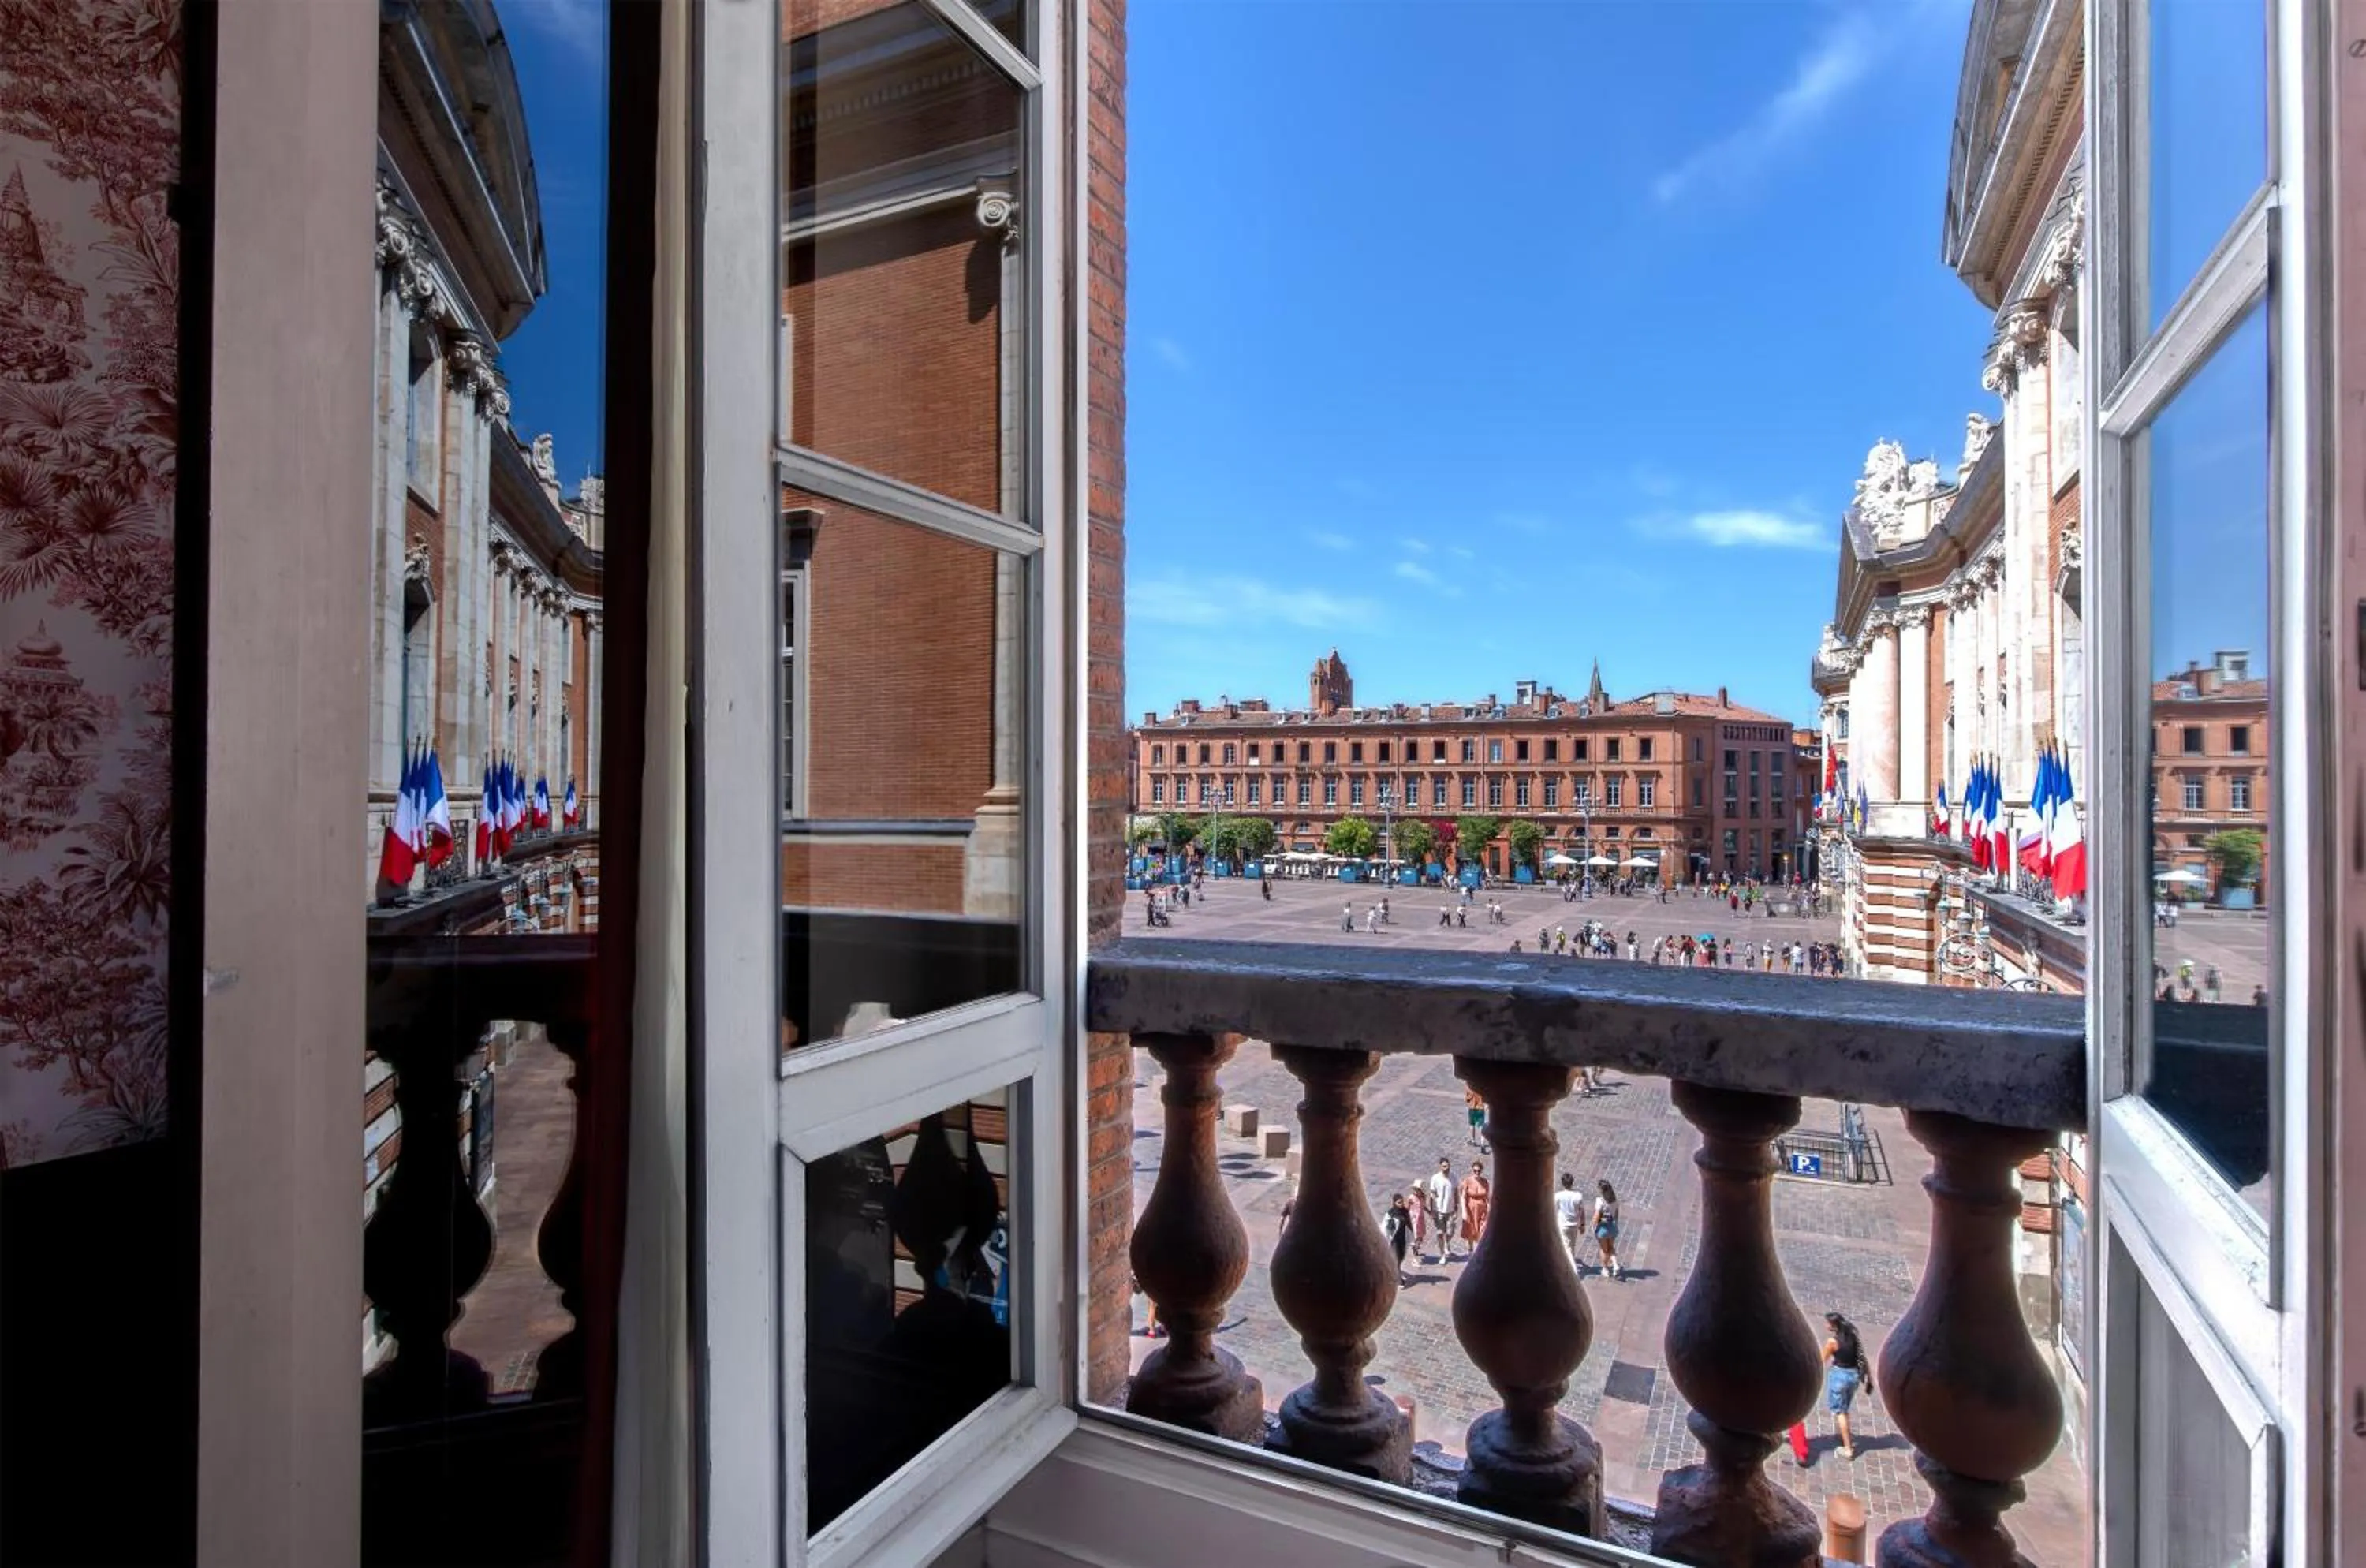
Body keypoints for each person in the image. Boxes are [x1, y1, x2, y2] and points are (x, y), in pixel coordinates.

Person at [1822, 1311, 1866, 1460]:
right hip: (1853, 1376)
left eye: (1827, 1323)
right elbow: (1860, 1356)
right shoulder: (1852, 1335)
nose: (1825, 1325)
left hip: (1839, 1377)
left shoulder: (1832, 1342)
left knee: (1841, 1412)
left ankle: (1848, 1449)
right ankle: (1844, 1435)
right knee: (1845, 1407)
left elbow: (1822, 1359)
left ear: (1833, 1325)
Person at [1424, 1157, 1459, 1262]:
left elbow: (1456, 1192)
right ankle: (1442, 1254)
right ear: (1440, 1167)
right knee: (1440, 1233)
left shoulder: (1454, 1177)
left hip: (1451, 1210)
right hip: (1439, 1211)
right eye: (1444, 1166)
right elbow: (1432, 1195)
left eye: (1448, 1166)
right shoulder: (1435, 1178)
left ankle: (1447, 1244)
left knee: (1450, 1231)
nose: (1446, 1168)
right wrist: (1432, 1210)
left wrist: (1457, 1207)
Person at [1553, 1172, 1586, 1268]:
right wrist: (1582, 1225)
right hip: (1574, 1224)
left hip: (1563, 1224)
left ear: (1563, 1183)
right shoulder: (1578, 1195)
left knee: (1566, 1247)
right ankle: (1569, 1263)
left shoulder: (1558, 1196)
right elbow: (1581, 1211)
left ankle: (1571, 1267)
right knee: (1571, 1245)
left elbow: (1555, 1208)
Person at [1592, 1179, 1622, 1280]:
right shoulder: (1615, 1200)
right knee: (1611, 1247)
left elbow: (1596, 1217)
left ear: (1601, 1190)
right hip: (1613, 1228)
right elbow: (1616, 1215)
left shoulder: (1600, 1201)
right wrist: (1615, 1225)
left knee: (1604, 1250)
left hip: (1603, 1229)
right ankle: (1615, 1265)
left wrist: (1594, 1226)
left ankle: (1605, 1269)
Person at [1383, 1193, 1414, 1286]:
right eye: (1399, 1202)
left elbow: (1409, 1223)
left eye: (1402, 1202)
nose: (1401, 1204)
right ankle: (1398, 1280)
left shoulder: (1404, 1211)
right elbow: (1385, 1227)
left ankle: (1396, 1272)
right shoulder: (1391, 1213)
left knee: (1400, 1258)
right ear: (1394, 1203)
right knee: (1395, 1259)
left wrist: (1412, 1236)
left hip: (1402, 1238)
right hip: (1394, 1240)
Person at [1460, 1159, 1491, 1251]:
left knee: (1482, 1230)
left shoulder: (1485, 1182)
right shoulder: (1467, 1181)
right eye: (1475, 1171)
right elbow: (1463, 1197)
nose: (1477, 1173)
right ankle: (1470, 1249)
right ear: (1472, 1170)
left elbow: (1488, 1197)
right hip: (1471, 1209)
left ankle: (1479, 1250)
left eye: (1479, 1171)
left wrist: (1490, 1209)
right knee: (1471, 1229)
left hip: (1482, 1209)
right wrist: (1464, 1212)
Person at [1465, 1086, 1490, 1152]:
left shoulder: (1470, 1087)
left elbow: (1467, 1099)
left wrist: (1468, 1097)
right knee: (1481, 1127)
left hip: (1472, 1108)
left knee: (1472, 1124)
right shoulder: (1482, 1087)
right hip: (1481, 1109)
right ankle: (1482, 1144)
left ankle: (1473, 1141)